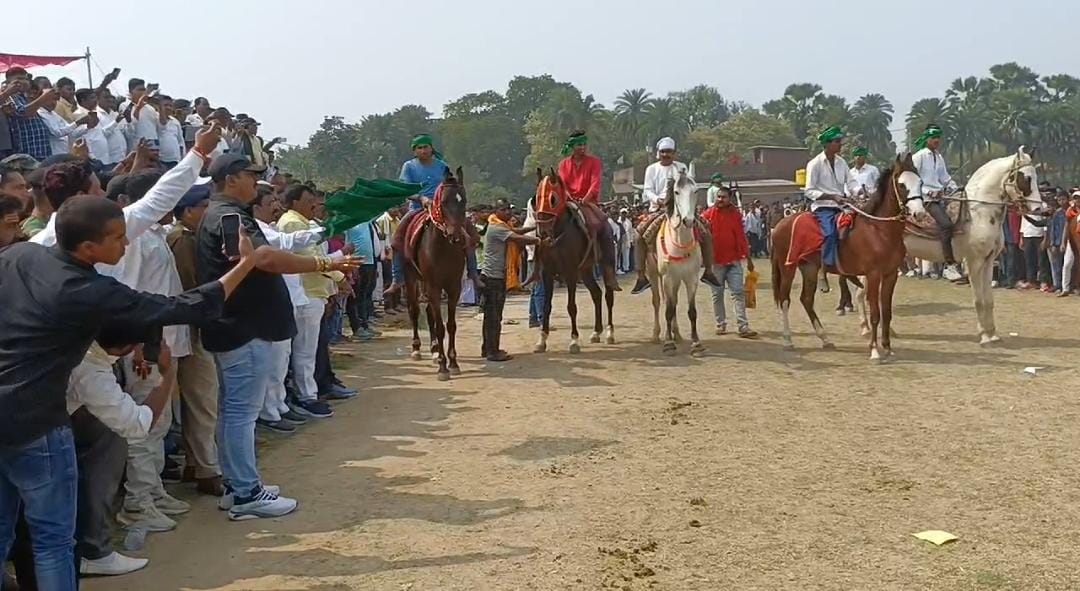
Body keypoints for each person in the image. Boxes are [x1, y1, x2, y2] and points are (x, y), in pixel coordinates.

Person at [0, 193, 258, 591]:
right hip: (35, 422)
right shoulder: (91, 291)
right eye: (118, 237)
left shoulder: (19, 257)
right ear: (88, 247)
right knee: (53, 539)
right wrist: (246, 265)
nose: (126, 244)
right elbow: (185, 307)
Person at [195, 153, 360, 520]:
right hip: (243, 326)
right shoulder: (228, 216)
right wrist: (325, 263)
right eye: (251, 176)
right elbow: (263, 259)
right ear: (232, 178)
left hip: (240, 325)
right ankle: (246, 494)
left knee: (235, 411)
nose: (257, 182)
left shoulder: (226, 213)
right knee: (241, 412)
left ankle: (239, 485)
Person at [166, 182, 226, 496]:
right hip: (190, 328)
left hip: (187, 327)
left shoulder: (187, 237)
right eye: (203, 206)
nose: (208, 211)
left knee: (198, 399)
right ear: (188, 211)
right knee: (203, 398)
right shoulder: (183, 240)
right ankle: (207, 468)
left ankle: (196, 462)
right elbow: (192, 286)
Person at [384, 134, 483, 295]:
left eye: (426, 147)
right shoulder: (409, 166)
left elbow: (450, 186)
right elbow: (405, 190)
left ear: (431, 148)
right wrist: (421, 198)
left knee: (468, 234)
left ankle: (473, 273)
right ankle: (397, 279)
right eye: (419, 148)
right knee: (397, 239)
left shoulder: (442, 165)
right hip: (417, 208)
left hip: (442, 209)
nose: (423, 150)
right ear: (414, 151)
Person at [630, 137, 721, 294]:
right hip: (659, 209)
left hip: (680, 208)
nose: (666, 155)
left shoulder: (681, 168)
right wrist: (657, 199)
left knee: (705, 231)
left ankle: (708, 271)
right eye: (663, 152)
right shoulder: (651, 169)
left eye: (669, 152)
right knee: (639, 235)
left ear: (674, 154)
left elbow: (688, 186)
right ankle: (641, 277)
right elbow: (648, 189)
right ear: (658, 153)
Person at [481, 198, 544, 361]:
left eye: (509, 209)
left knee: (491, 315)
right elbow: (517, 238)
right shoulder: (496, 228)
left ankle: (487, 348)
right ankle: (492, 352)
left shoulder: (501, 225)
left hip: (494, 277)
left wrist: (534, 227)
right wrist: (539, 240)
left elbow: (518, 231)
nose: (508, 212)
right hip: (493, 278)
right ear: (496, 212)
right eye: (504, 209)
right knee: (494, 317)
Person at [556, 130, 619, 290]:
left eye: (584, 144)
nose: (582, 147)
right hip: (568, 202)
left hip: (588, 203)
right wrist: (569, 197)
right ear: (572, 146)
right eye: (579, 145)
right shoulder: (563, 164)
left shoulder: (594, 161)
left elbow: (595, 182)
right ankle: (554, 264)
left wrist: (586, 197)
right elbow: (562, 184)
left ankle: (609, 269)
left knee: (606, 226)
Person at [702, 185, 758, 338]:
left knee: (738, 293)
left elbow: (741, 237)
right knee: (717, 294)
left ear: (729, 198)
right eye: (718, 197)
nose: (720, 199)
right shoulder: (707, 215)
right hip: (716, 262)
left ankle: (743, 326)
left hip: (734, 261)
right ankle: (720, 324)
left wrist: (749, 258)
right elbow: (702, 239)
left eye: (723, 197)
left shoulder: (736, 215)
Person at [803, 126, 858, 272]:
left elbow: (851, 182)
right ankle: (826, 266)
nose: (840, 144)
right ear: (827, 144)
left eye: (840, 141)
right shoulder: (814, 164)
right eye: (837, 141)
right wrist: (832, 196)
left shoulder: (842, 162)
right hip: (823, 207)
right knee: (829, 233)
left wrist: (859, 192)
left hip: (843, 206)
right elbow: (809, 190)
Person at [912, 124, 962, 281]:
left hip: (942, 197)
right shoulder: (919, 156)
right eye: (934, 138)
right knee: (946, 225)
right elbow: (913, 180)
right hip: (926, 200)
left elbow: (945, 178)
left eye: (938, 138)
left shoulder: (939, 157)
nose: (937, 140)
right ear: (926, 139)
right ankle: (949, 265)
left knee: (962, 218)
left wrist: (955, 187)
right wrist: (928, 192)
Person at [5, 69, 55, 160]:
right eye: (19, 79)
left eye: (25, 79)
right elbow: (22, 113)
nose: (23, 82)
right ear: (8, 82)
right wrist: (43, 98)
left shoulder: (24, 97)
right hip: (27, 151)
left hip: (40, 150)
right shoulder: (9, 96)